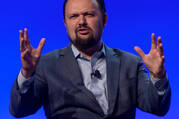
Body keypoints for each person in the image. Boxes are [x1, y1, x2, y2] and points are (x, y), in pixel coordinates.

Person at [9, 0, 171, 119]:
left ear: (104, 20)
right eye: (73, 16)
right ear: (65, 23)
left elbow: (158, 107)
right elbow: (19, 110)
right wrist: (27, 73)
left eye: (89, 14)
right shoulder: (46, 64)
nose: (81, 22)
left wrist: (158, 76)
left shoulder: (130, 63)